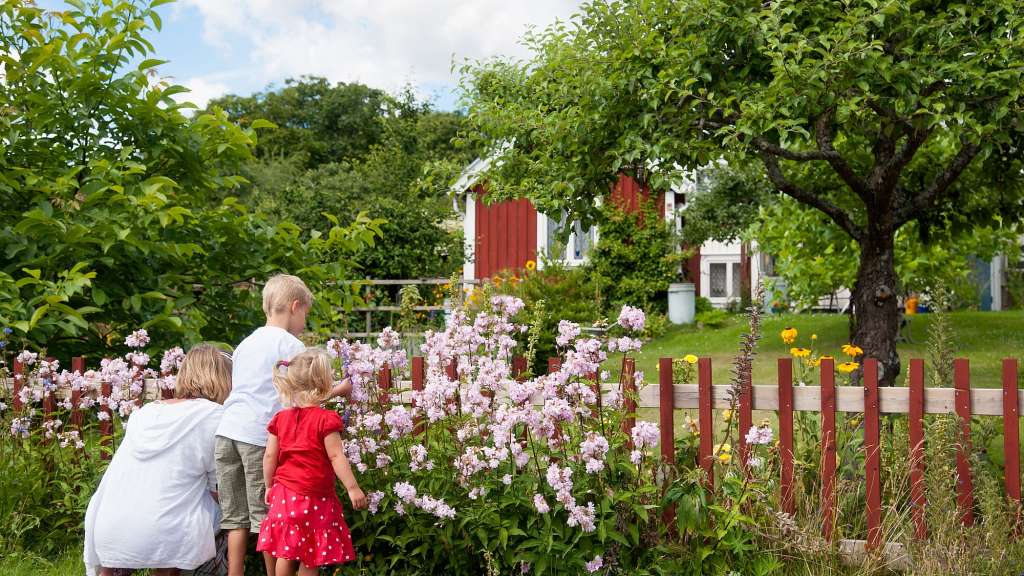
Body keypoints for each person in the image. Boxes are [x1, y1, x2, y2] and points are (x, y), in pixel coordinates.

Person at [215, 274, 351, 576]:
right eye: (305, 315)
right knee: (269, 517)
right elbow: (302, 395)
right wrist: (338, 390)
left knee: (235, 519)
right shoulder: (290, 344)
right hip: (255, 436)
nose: (304, 322)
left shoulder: (245, 343)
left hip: (226, 433)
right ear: (294, 306)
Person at [84, 344, 233, 576]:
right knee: (228, 513)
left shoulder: (145, 412)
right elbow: (219, 491)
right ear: (225, 379)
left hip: (108, 527)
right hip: (167, 534)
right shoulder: (216, 417)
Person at [257, 349, 367, 575]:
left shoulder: (280, 419)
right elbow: (336, 456)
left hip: (285, 494)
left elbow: (269, 456)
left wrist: (269, 486)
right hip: (316, 496)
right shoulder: (326, 419)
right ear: (324, 384)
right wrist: (352, 488)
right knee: (312, 552)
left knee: (286, 549)